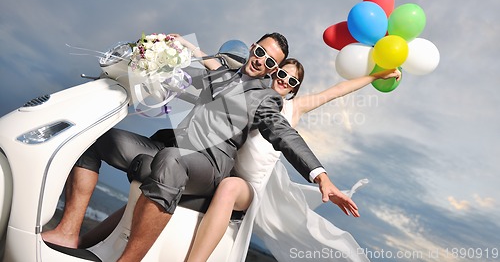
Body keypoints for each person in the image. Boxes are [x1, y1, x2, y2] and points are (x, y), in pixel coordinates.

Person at [42, 33, 359, 262]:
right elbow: (181, 80)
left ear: (273, 71)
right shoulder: (220, 71)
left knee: (170, 160)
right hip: (173, 148)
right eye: (260, 52)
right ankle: (69, 230)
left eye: (270, 63)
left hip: (208, 168)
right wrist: (163, 55)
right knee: (100, 139)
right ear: (253, 48)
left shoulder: (267, 98)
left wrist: (321, 177)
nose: (261, 61)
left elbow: (283, 133)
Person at [185, 58, 401, 262]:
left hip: (247, 187)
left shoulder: (293, 108)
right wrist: (183, 45)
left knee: (229, 187)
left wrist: (377, 75)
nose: (284, 80)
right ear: (273, 72)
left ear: (293, 89)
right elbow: (218, 66)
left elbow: (337, 91)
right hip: (223, 170)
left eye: (292, 80)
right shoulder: (248, 92)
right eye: (282, 73)